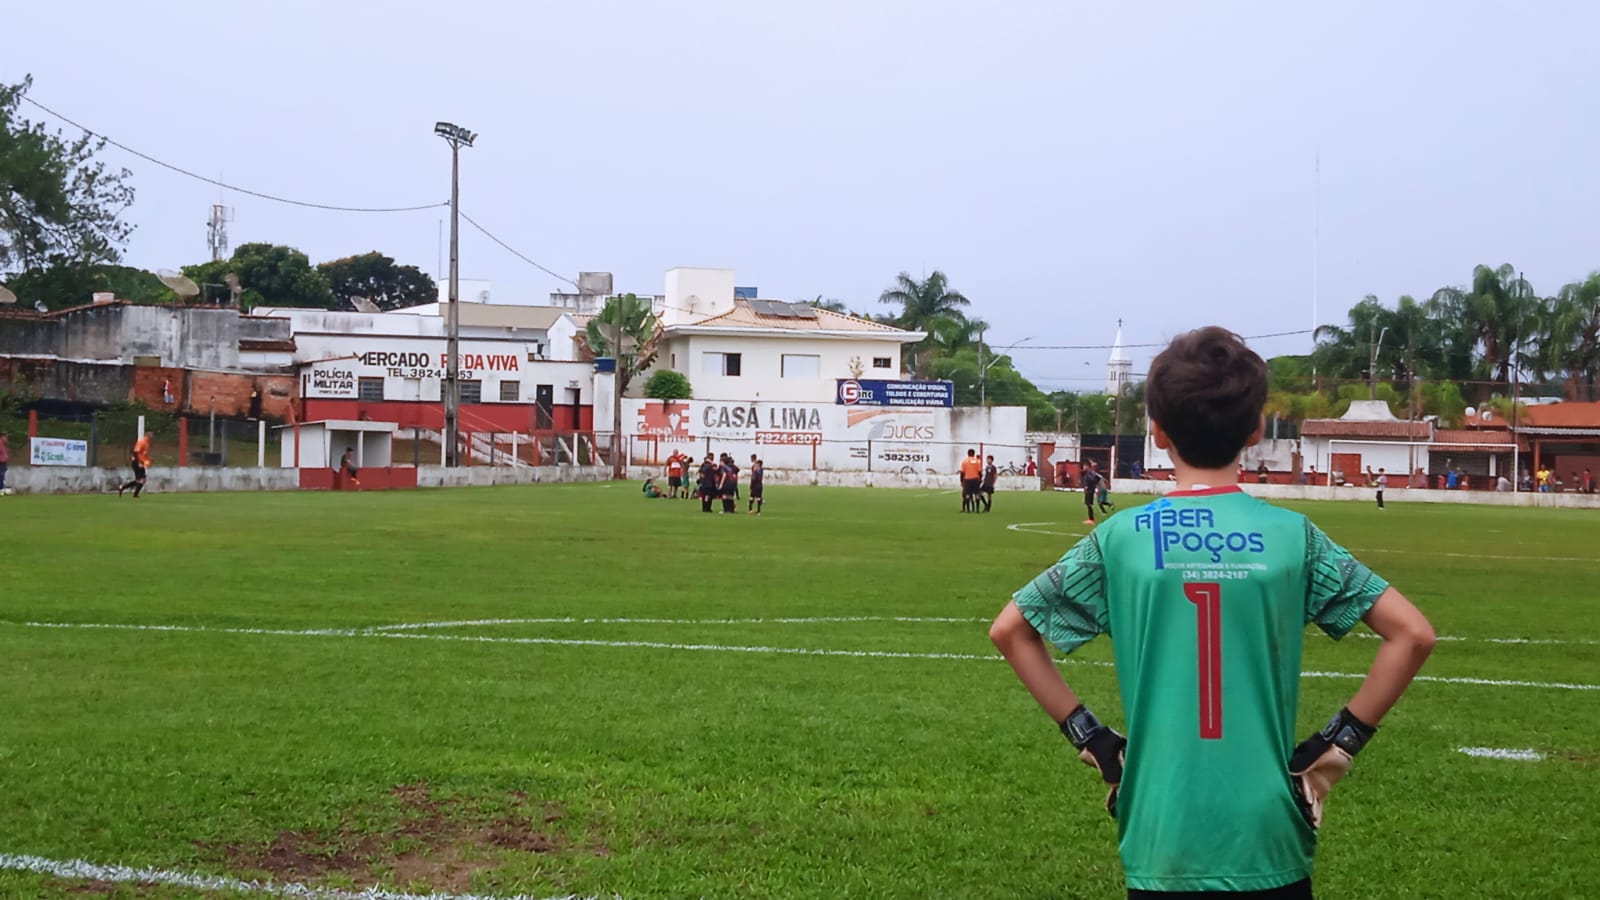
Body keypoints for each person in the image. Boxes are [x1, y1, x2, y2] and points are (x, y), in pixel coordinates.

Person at [988, 325, 1435, 899]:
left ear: (1156, 430)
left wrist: (1091, 737)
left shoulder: (1120, 538)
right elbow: (1412, 634)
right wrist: (1337, 744)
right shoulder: (1293, 537)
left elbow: (1011, 630)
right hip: (1267, 829)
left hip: (1160, 830)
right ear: (1254, 429)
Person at [118, 432, 152, 498]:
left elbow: (142, 453)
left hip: (140, 462)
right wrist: (138, 462)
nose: (151, 438)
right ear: (147, 436)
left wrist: (147, 459)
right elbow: (135, 452)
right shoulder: (142, 442)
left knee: (141, 480)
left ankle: (126, 489)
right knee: (141, 479)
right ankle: (125, 488)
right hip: (137, 462)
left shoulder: (146, 443)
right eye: (150, 437)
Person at [1079, 460, 1104, 526]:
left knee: (1089, 504)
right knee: (1088, 504)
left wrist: (1089, 486)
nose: (1083, 467)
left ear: (1087, 466)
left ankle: (1091, 519)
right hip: (1089, 490)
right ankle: (1090, 518)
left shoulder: (1090, 473)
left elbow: (1096, 478)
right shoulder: (1089, 473)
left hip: (1090, 490)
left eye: (1084, 466)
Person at [959, 449, 983, 513]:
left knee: (967, 494)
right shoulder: (977, 461)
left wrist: (961, 481)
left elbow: (962, 473)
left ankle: (968, 509)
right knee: (977, 494)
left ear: (968, 454)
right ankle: (977, 509)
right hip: (975, 479)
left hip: (967, 480)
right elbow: (980, 472)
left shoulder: (964, 461)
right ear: (974, 454)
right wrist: (980, 479)